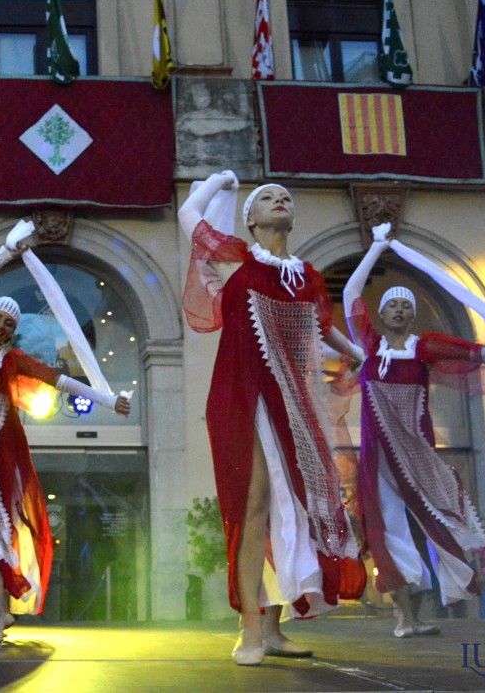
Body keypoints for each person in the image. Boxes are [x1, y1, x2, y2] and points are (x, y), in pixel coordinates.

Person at [178, 172, 367, 666]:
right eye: (267, 197)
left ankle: (274, 629)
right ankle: (249, 627)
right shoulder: (236, 259)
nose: (279, 199)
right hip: (241, 396)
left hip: (290, 401)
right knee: (256, 502)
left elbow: (321, 329)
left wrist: (356, 353)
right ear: (251, 219)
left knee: (292, 507)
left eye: (285, 197)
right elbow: (187, 215)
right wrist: (217, 181)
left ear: (292, 217)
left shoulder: (306, 276)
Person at [344, 230, 485, 637]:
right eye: (391, 305)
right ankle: (405, 619)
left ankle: (426, 609)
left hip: (418, 455)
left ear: (412, 316)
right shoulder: (370, 346)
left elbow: (479, 352)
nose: (397, 310)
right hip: (378, 459)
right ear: (381, 313)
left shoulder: (424, 347)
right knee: (389, 535)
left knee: (437, 528)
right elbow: (351, 292)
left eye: (405, 306)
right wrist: (376, 246)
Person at [0, 230, 130, 644]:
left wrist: (105, 399)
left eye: (9, 323)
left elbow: (57, 379)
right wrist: (3, 254)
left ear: (12, 333)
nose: (1, 325)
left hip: (0, 462)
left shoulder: (12, 362)